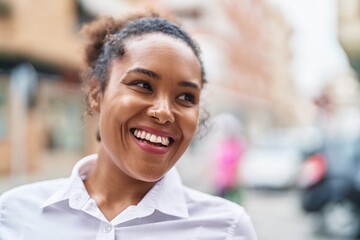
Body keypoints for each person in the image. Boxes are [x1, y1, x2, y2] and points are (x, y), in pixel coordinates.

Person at [0, 12, 257, 240]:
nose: (164, 112)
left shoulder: (226, 229)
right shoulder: (14, 214)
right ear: (95, 93)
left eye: (185, 97)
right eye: (143, 85)